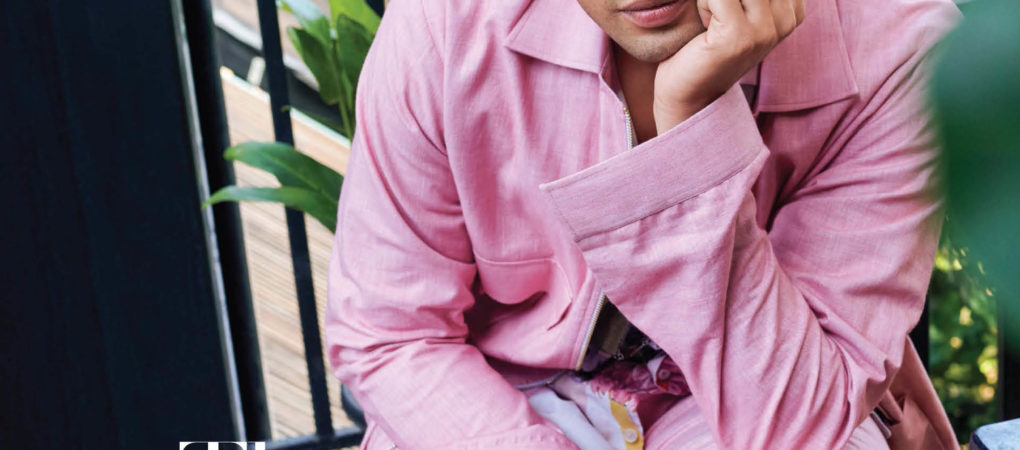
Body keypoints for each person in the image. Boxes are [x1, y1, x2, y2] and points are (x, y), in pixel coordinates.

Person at [324, 0, 962, 448]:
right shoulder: (449, 20)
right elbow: (390, 335)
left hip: (744, 399)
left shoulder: (902, 52)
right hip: (497, 397)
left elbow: (795, 425)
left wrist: (692, 136)